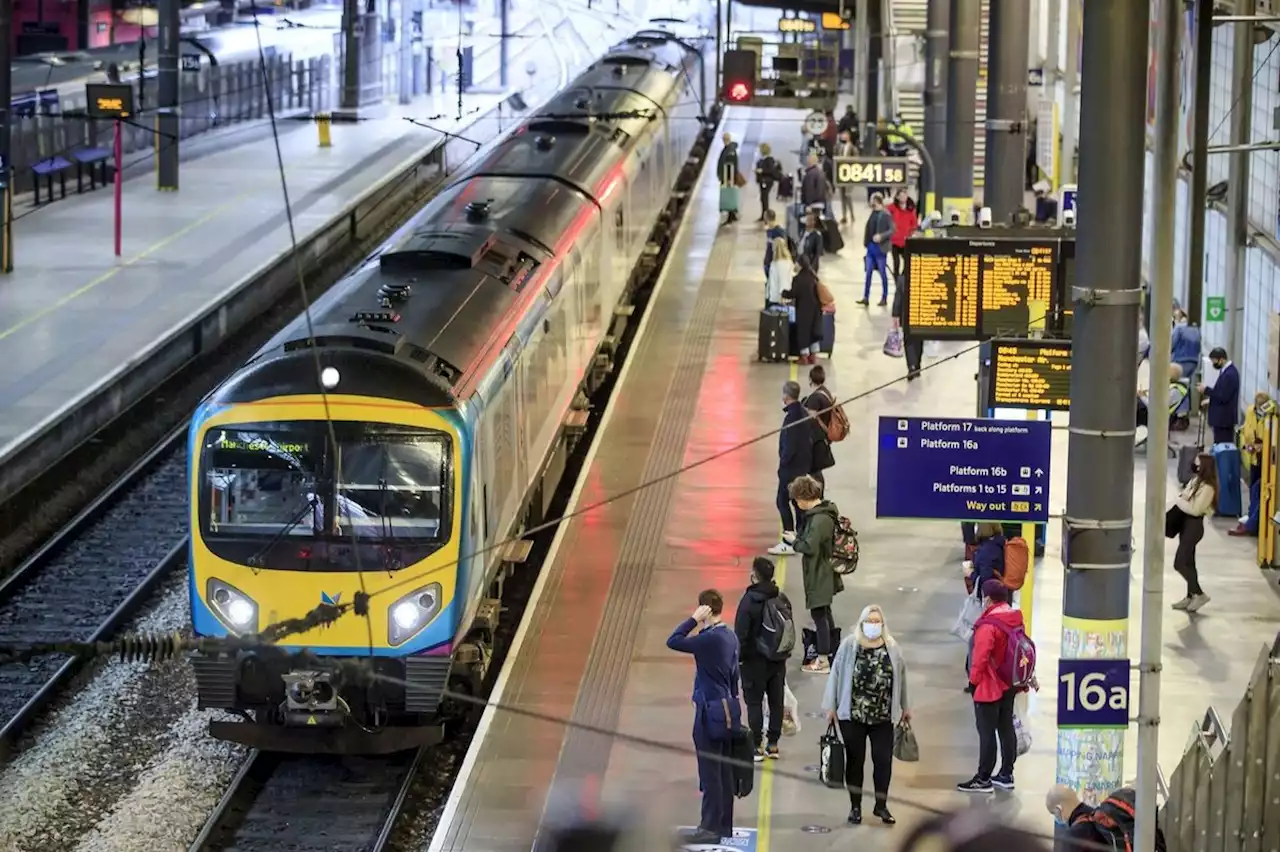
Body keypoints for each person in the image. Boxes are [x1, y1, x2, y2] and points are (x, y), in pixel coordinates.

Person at [822, 604, 911, 826]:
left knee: (883, 761)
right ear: (862, 623)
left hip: (882, 716)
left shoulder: (892, 647)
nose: (873, 625)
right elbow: (835, 675)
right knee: (855, 762)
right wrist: (830, 707)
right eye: (869, 621)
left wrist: (905, 706)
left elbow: (902, 678)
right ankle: (855, 807)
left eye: (877, 621)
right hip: (853, 716)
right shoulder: (849, 646)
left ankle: (881, 805)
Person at [666, 589, 741, 844]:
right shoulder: (730, 636)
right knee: (721, 771)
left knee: (710, 773)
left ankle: (709, 828)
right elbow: (734, 679)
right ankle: (722, 825)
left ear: (705, 610)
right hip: (727, 709)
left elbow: (673, 640)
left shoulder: (708, 639)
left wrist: (693, 620)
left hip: (709, 713)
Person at [957, 579, 1024, 793]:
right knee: (1005, 727)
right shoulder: (1014, 618)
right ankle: (1006, 773)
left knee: (986, 732)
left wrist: (973, 681)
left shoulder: (988, 625)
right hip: (1009, 682)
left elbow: (980, 657)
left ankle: (983, 778)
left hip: (989, 685)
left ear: (987, 599)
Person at [734, 557, 792, 760]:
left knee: (754, 703)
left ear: (755, 576)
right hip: (777, 660)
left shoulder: (749, 601)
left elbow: (741, 634)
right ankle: (773, 745)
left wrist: (739, 659)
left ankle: (757, 746)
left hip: (753, 661)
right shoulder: (780, 598)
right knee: (776, 702)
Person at [789, 474, 843, 673]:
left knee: (819, 615)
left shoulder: (819, 519)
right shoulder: (823, 515)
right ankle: (830, 652)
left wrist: (793, 541)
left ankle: (822, 660)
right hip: (822, 572)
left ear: (803, 499)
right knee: (824, 613)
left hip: (819, 574)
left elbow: (810, 546)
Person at [769, 382, 815, 556]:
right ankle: (800, 536)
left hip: (791, 469)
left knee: (782, 501)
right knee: (797, 503)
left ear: (786, 396)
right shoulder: (801, 413)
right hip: (801, 467)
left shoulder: (792, 417)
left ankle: (789, 540)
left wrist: (783, 464)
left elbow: (790, 446)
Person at [1169, 453, 1217, 613]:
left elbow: (1196, 510)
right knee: (1189, 563)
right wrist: (1183, 500)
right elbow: (1185, 497)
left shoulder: (1208, 488)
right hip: (1185, 524)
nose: (1194, 464)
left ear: (1203, 466)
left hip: (1194, 527)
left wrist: (1180, 501)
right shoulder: (1196, 481)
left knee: (1180, 563)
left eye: (1197, 462)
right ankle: (1190, 597)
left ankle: (1199, 593)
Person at [1231, 392, 1274, 537]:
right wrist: (1247, 446)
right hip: (1254, 458)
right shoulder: (1250, 412)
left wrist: (1264, 447)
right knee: (1254, 489)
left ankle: (1253, 523)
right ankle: (1252, 519)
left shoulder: (1272, 418)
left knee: (1261, 490)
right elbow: (1245, 431)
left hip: (1268, 461)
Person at [783, 262, 824, 366]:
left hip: (804, 310)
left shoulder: (798, 279)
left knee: (803, 333)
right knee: (813, 332)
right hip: (815, 309)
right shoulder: (813, 276)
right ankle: (813, 356)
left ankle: (804, 357)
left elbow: (793, 293)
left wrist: (783, 292)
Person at [857, 193, 894, 307]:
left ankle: (884, 297)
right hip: (871, 247)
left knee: (882, 273)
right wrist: (866, 243)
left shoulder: (886, 214)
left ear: (877, 201)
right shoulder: (872, 213)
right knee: (868, 272)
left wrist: (881, 236)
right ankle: (866, 297)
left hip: (880, 248)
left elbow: (892, 229)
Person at [1199, 347, 1240, 445]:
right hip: (1222, 419)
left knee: (1222, 446)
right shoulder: (1227, 372)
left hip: (1224, 419)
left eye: (1214, 361)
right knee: (1219, 445)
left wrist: (1206, 390)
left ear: (1221, 359)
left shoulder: (1229, 375)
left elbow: (1223, 396)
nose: (1213, 364)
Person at [890, 271, 922, 380]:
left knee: (909, 342)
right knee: (919, 342)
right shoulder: (923, 277)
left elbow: (897, 299)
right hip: (921, 316)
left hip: (907, 317)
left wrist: (895, 315)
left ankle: (911, 366)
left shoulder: (902, 279)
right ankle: (917, 365)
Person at [1136, 363, 1189, 430]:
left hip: (1162, 418)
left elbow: (1156, 407)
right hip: (1159, 414)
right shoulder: (1171, 386)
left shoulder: (1175, 390)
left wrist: (1142, 397)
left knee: (1137, 406)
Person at [963, 523, 1006, 595]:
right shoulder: (999, 544)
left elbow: (985, 579)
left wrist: (971, 573)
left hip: (990, 597)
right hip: (1001, 592)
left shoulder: (986, 551)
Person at [887, 189, 917, 280]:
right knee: (896, 263)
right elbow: (886, 216)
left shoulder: (911, 209)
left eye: (905, 195)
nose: (903, 197)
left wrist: (910, 233)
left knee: (908, 261)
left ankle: (902, 278)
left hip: (905, 241)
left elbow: (914, 224)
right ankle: (897, 281)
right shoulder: (892, 208)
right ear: (897, 197)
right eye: (901, 195)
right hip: (894, 241)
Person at [834, 132, 857, 225]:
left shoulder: (852, 148)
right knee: (842, 197)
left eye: (844, 136)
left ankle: (852, 214)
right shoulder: (838, 147)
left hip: (849, 174)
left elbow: (856, 159)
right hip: (840, 174)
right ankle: (844, 216)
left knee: (848, 196)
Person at [1171, 310, 1201, 380]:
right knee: (1187, 383)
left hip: (1180, 360)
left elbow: (1172, 344)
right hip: (1194, 361)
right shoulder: (1196, 328)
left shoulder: (1179, 328)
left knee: (1179, 383)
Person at [718, 133, 741, 224]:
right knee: (730, 195)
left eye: (725, 139)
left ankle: (730, 217)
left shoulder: (730, 151)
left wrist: (728, 178)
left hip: (728, 177)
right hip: (727, 177)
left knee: (729, 196)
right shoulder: (728, 149)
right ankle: (733, 215)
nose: (724, 141)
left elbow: (731, 166)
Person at [754, 142, 780, 222]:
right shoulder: (762, 159)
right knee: (763, 198)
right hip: (762, 181)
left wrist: (762, 171)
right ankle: (763, 214)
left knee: (764, 198)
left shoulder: (769, 160)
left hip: (767, 181)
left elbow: (771, 170)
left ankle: (766, 216)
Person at [765, 236, 792, 308]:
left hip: (778, 299)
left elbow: (783, 281)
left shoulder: (780, 264)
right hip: (774, 296)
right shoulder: (785, 262)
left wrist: (782, 297)